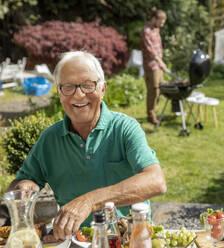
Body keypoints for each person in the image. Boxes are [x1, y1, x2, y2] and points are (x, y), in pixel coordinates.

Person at [7, 51, 167, 241]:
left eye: (87, 85)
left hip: (131, 239)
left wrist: (89, 201)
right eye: (68, 87)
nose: (79, 95)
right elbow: (23, 182)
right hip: (77, 242)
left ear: (102, 89)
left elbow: (156, 181)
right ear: (59, 92)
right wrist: (26, 187)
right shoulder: (49, 139)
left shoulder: (125, 128)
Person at [140, 7, 167, 125]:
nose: (161, 24)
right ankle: (151, 116)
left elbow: (158, 47)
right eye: (160, 22)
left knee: (161, 90)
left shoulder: (156, 30)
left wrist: (161, 61)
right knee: (153, 91)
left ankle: (155, 112)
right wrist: (159, 61)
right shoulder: (145, 31)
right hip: (151, 66)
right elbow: (150, 50)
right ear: (154, 19)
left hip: (159, 64)